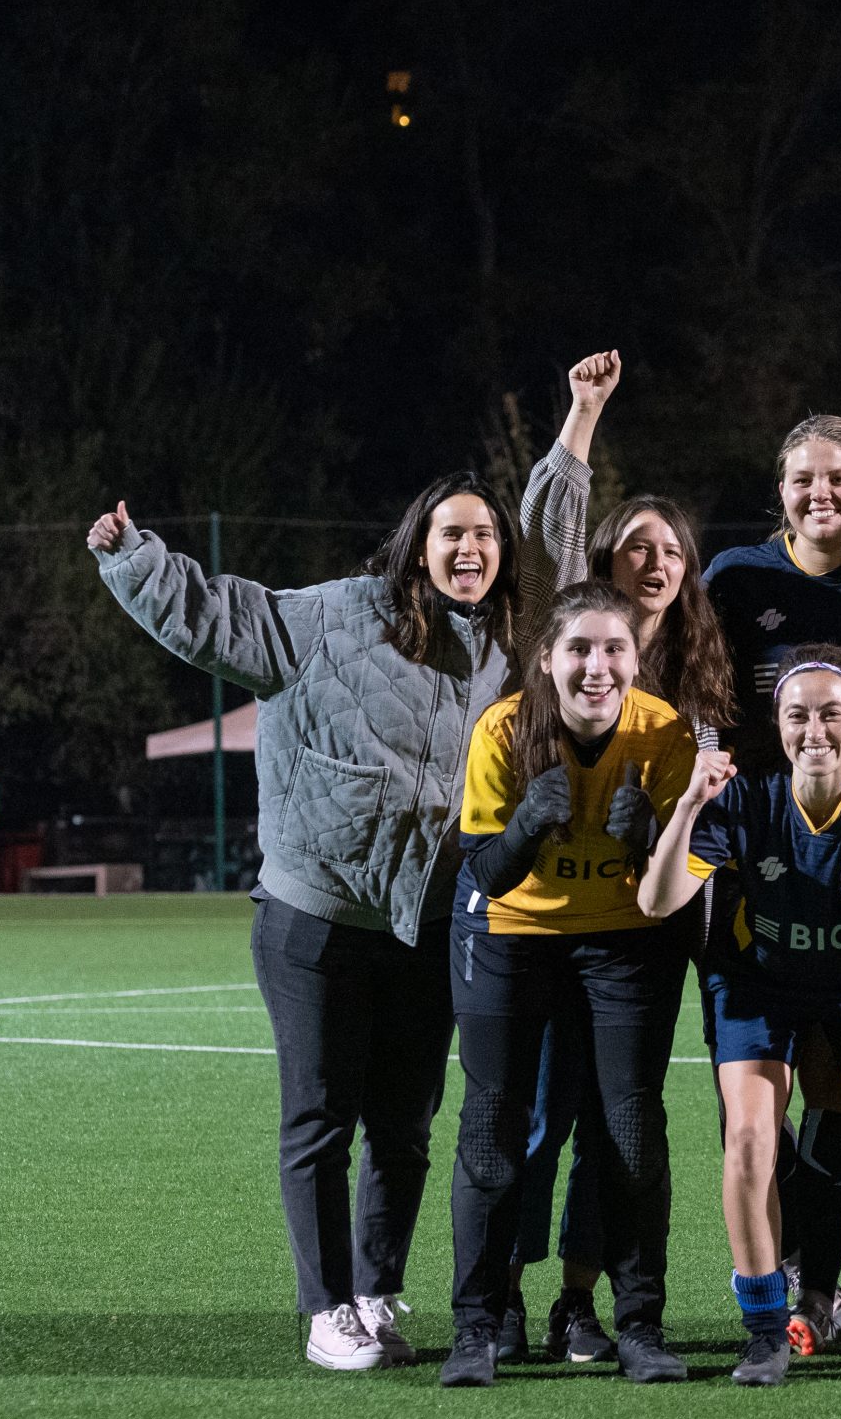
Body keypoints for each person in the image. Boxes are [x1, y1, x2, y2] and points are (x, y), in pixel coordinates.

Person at [88, 475, 535, 1372]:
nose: (469, 550)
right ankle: (326, 1309)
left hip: (425, 921)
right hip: (316, 915)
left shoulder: (504, 647)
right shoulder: (329, 615)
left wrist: (578, 429)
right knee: (321, 1117)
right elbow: (216, 617)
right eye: (451, 533)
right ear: (417, 541)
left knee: (405, 1124)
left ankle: (376, 1290)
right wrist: (133, 557)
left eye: (485, 535)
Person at [497, 351, 740, 1365]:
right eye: (633, 545)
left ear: (687, 570)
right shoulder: (567, 643)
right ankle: (514, 1297)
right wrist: (581, 416)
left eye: (670, 549)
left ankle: (589, 1297)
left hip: (659, 916)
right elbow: (541, 533)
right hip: (558, 917)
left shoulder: (698, 673)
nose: (652, 560)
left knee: (621, 1115)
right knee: (545, 1111)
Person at [642, 645, 841, 1386]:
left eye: (831, 714)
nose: (814, 729)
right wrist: (686, 806)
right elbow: (657, 899)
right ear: (776, 723)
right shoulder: (744, 793)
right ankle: (766, 1331)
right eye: (796, 714)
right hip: (759, 983)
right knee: (746, 1143)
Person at [701, 413, 841, 1355]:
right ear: (779, 489)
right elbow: (694, 684)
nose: (819, 493)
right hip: (757, 858)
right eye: (801, 478)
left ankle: (826, 1286)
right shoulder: (737, 580)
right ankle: (780, 1286)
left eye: (839, 477)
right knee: (754, 1114)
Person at [439, 582, 699, 1387]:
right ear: (546, 659)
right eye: (579, 649)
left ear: (636, 657)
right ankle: (478, 1326)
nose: (597, 666)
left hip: (623, 935)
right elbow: (482, 870)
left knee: (629, 1129)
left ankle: (640, 1324)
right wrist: (524, 829)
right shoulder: (506, 728)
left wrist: (650, 835)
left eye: (614, 649)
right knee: (494, 1125)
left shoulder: (663, 734)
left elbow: (683, 873)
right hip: (512, 931)